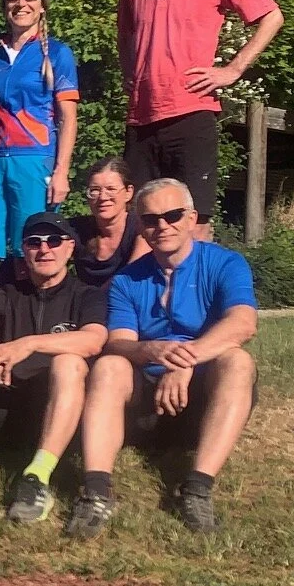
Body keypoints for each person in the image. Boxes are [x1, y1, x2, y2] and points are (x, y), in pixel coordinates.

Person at [68, 178, 259, 539]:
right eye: (151, 219)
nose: (163, 226)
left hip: (202, 391)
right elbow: (119, 343)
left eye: (172, 215)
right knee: (110, 365)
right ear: (140, 225)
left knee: (237, 361)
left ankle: (198, 488)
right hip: (143, 400)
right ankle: (96, 491)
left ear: (191, 218)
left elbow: (243, 323)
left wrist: (185, 360)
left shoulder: (225, 263)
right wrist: (151, 350)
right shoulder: (127, 280)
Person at [119, 0, 283, 236]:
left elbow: (272, 16)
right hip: (142, 119)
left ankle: (199, 293)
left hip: (191, 113)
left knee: (195, 224)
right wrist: (134, 75)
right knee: (141, 225)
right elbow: (126, 39)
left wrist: (233, 69)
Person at [0, 212, 108, 522]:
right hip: (7, 404)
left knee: (69, 362)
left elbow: (93, 341)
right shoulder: (8, 294)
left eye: (53, 241)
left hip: (58, 411)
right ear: (24, 251)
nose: (44, 250)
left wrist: (29, 343)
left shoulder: (88, 295)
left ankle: (38, 477)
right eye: (34, 242)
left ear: (69, 248)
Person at [0, 0, 81, 272]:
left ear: (42, 5)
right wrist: (1, 127)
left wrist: (61, 172)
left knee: (29, 252)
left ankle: (26, 318)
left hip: (33, 160)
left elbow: (68, 117)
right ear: (5, 5)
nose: (22, 3)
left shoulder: (57, 53)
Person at [70, 158, 149, 288]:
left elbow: (131, 275)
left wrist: (93, 299)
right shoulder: (78, 229)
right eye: (94, 190)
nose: (102, 197)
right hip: (88, 306)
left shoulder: (141, 227)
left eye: (111, 189)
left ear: (128, 192)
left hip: (126, 302)